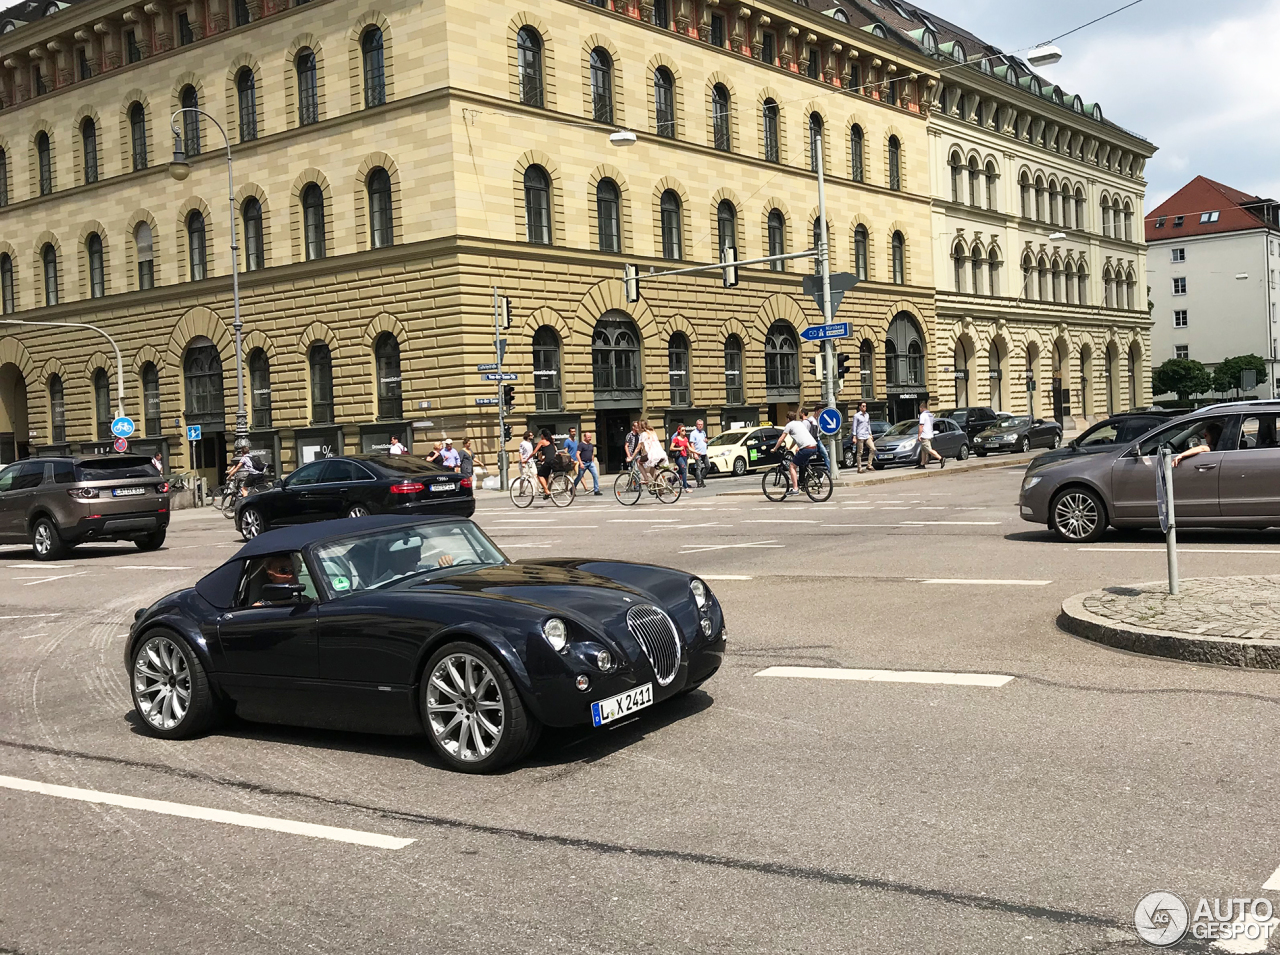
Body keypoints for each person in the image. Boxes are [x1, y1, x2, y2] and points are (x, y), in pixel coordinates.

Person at [772, 410, 818, 496]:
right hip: (814, 446)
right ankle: (805, 480)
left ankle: (795, 488)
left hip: (806, 448)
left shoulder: (789, 425)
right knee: (802, 463)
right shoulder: (799, 423)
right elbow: (796, 438)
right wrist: (790, 447)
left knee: (792, 466)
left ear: (788, 419)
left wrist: (775, 448)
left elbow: (781, 438)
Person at [916, 398, 944, 469]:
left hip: (925, 435)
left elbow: (921, 425)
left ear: (922, 408)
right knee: (923, 449)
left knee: (928, 449)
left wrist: (919, 435)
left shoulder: (923, 415)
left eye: (920, 408)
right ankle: (922, 463)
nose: (919, 409)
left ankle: (940, 458)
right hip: (930, 434)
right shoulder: (930, 415)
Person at [803, 406, 833, 474]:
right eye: (820, 411)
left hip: (818, 440)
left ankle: (830, 471)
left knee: (825, 454)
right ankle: (808, 470)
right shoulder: (811, 420)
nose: (821, 413)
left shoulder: (819, 420)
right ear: (816, 411)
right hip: (812, 441)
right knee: (808, 456)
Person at [637, 420, 668, 485]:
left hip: (652, 455)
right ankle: (660, 489)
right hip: (661, 454)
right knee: (653, 470)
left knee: (638, 462)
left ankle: (646, 479)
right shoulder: (653, 432)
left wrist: (631, 457)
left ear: (640, 426)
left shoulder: (643, 434)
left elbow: (638, 448)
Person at [852, 401, 875, 473]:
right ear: (860, 407)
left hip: (866, 435)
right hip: (860, 435)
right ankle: (859, 468)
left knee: (873, 448)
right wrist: (854, 436)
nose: (865, 407)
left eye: (865, 406)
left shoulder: (867, 415)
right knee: (860, 452)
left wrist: (870, 434)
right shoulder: (856, 416)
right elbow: (854, 426)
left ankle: (869, 465)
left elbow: (868, 425)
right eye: (863, 406)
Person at [533, 429, 555, 498]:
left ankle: (546, 490)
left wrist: (526, 459)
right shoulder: (551, 442)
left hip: (548, 462)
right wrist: (543, 459)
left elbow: (534, 452)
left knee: (539, 475)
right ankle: (546, 492)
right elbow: (551, 453)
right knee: (545, 475)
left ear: (542, 435)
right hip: (553, 461)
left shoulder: (542, 442)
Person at [670, 424, 692, 491]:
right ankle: (685, 487)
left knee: (682, 470)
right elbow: (671, 448)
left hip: (685, 456)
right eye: (682, 430)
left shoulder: (685, 439)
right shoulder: (676, 438)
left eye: (685, 430)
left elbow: (689, 448)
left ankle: (672, 479)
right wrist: (679, 448)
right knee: (684, 469)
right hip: (679, 457)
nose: (684, 432)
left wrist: (695, 452)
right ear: (679, 431)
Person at [689, 419, 709, 487]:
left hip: (704, 452)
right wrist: (694, 453)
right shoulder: (693, 433)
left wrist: (706, 441)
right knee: (699, 467)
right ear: (696, 425)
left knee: (708, 465)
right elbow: (692, 444)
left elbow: (704, 440)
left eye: (701, 424)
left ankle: (701, 478)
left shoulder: (703, 432)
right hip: (697, 453)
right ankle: (699, 482)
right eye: (699, 424)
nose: (700, 426)